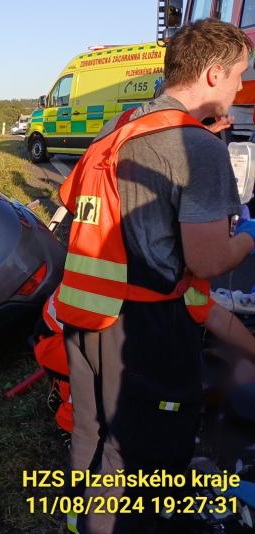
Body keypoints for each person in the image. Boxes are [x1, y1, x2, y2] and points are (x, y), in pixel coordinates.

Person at [54, 19, 255, 533]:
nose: (239, 87)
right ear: (213, 74)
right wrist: (249, 233)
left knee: (90, 431)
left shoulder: (123, 126)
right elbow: (208, 262)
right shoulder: (197, 150)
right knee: (144, 455)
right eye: (238, 77)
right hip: (144, 328)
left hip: (84, 309)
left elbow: (71, 197)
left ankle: (79, 519)